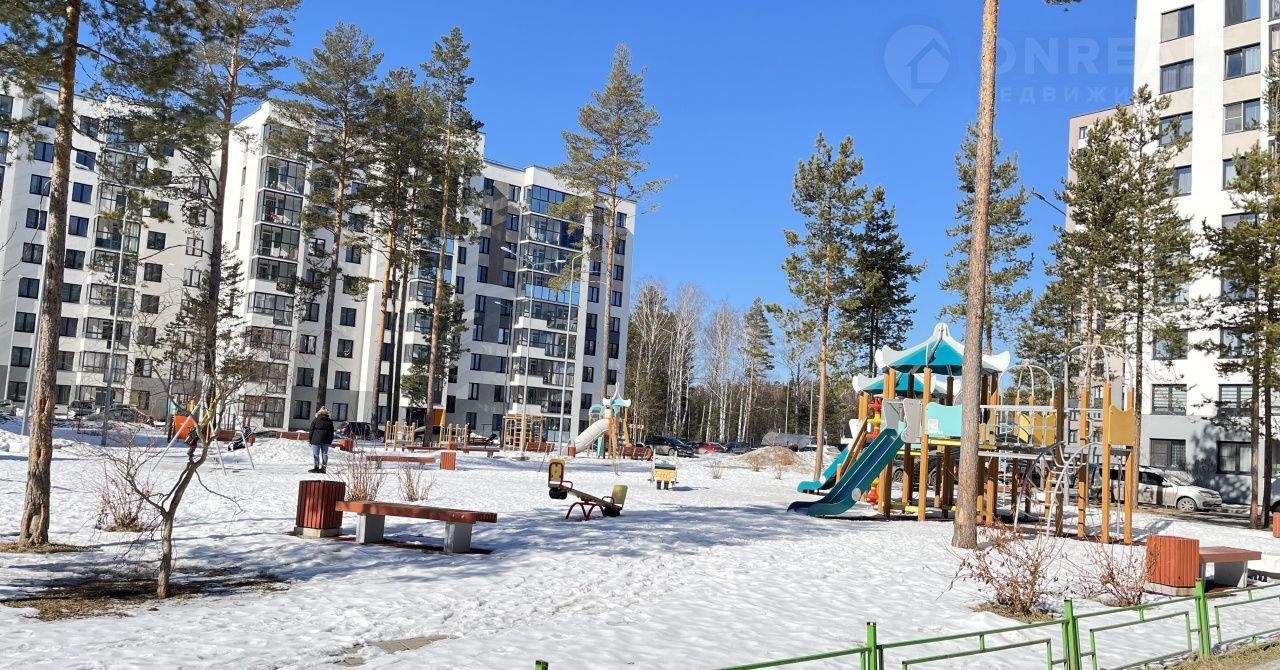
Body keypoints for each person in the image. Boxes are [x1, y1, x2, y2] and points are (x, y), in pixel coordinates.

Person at [309, 407, 334, 474]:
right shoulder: (330, 421)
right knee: (325, 454)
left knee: (316, 454)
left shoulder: (315, 420)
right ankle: (323, 468)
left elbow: (311, 431)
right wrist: (330, 440)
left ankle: (316, 468)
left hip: (316, 439)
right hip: (326, 440)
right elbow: (331, 432)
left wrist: (310, 440)